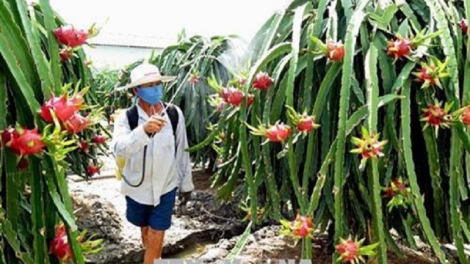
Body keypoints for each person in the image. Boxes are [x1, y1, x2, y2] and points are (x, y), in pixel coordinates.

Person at [111, 62, 194, 264]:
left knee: (157, 235)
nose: (155, 88)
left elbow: (182, 150)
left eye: (157, 83)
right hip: (137, 189)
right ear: (135, 90)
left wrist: (186, 185)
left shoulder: (174, 114)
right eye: (148, 85)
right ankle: (154, 259)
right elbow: (119, 149)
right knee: (147, 232)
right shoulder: (126, 118)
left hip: (166, 187)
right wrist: (143, 131)